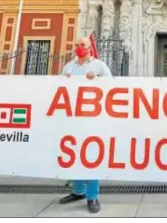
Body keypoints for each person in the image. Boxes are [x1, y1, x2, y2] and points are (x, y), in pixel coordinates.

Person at [58, 36, 112, 214]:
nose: (79, 47)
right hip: (72, 117)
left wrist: (97, 79)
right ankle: (78, 191)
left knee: (91, 155)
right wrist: (63, 80)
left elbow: (113, 86)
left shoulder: (99, 66)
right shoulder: (69, 66)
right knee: (73, 152)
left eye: (83, 45)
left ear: (90, 47)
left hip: (92, 117)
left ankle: (92, 195)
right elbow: (58, 88)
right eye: (77, 45)